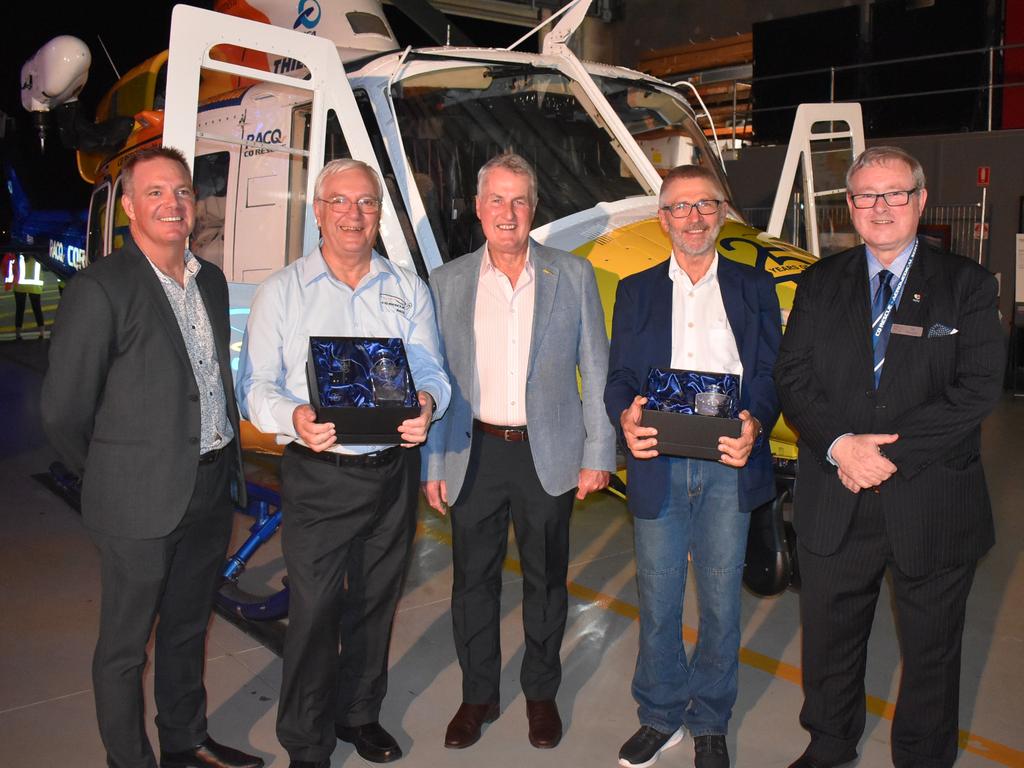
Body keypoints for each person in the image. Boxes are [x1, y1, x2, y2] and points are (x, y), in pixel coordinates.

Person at [774, 146, 1004, 768]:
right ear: (849, 206)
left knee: (932, 649)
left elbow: (978, 388)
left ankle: (924, 758)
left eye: (894, 193)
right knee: (829, 638)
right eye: (866, 196)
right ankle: (829, 743)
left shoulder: (967, 286)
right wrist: (840, 446)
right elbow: (793, 378)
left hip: (932, 498)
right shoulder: (819, 283)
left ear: (920, 200)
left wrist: (886, 455)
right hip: (837, 490)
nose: (881, 207)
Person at [41, 146, 261, 768]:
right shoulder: (102, 288)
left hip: (212, 486)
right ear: (130, 207)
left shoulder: (210, 282)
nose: (173, 203)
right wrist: (110, 478)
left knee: (189, 630)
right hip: (136, 499)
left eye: (183, 192)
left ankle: (183, 742)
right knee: (125, 647)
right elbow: (62, 411)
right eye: (157, 192)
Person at [235, 158, 450, 768]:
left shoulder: (406, 288)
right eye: (340, 202)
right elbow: (255, 385)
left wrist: (429, 402)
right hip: (319, 473)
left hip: (391, 471)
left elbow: (430, 368)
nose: (354, 215)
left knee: (376, 601)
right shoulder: (283, 291)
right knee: (314, 610)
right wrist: (292, 416)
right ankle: (306, 739)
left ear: (379, 214)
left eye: (366, 203)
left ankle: (360, 713)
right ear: (319, 211)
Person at [422, 152, 616, 751]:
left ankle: (540, 694)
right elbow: (433, 376)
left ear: (534, 208)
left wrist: (599, 452)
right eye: (496, 200)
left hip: (548, 453)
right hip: (473, 451)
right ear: (478, 208)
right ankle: (477, 695)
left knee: (546, 582)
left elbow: (596, 369)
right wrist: (431, 461)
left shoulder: (572, 276)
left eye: (520, 200)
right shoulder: (446, 281)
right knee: (471, 584)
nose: (508, 213)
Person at [605, 165, 781, 768]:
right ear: (663, 220)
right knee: (657, 598)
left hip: (729, 461)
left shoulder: (754, 288)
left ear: (723, 212)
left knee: (721, 603)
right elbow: (621, 378)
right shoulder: (637, 290)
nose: (694, 217)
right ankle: (659, 715)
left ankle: (710, 719)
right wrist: (623, 419)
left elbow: (768, 374)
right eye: (680, 207)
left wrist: (755, 421)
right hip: (660, 460)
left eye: (705, 205)